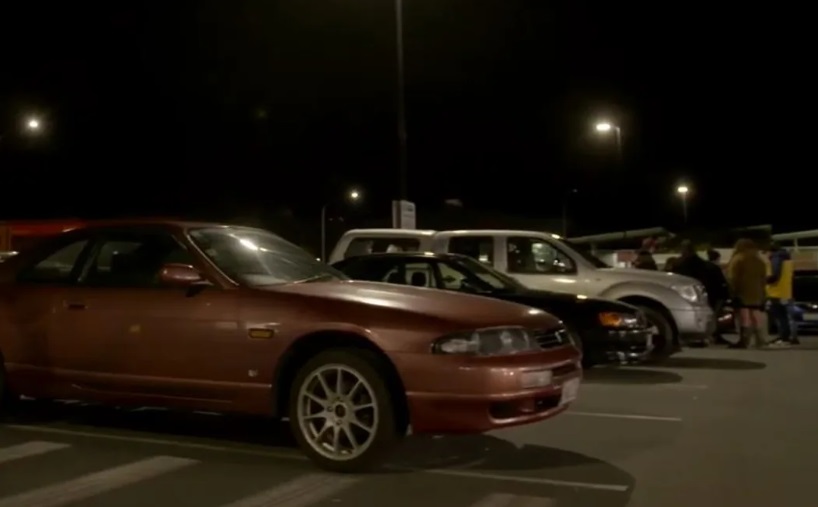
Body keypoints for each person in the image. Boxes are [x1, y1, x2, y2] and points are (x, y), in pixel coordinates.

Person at [672, 241, 730, 344]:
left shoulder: (681, 265)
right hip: (710, 293)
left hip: (691, 294)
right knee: (710, 315)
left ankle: (697, 338)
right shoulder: (708, 266)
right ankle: (712, 335)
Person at [726, 238, 769, 349]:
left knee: (744, 319)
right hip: (757, 294)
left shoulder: (738, 259)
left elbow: (732, 278)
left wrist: (732, 291)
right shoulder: (760, 261)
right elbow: (763, 279)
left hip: (742, 293)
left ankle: (744, 340)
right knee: (756, 317)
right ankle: (760, 340)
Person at [766, 242, 799, 345]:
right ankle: (793, 337)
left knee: (780, 316)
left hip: (777, 291)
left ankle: (783, 336)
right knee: (789, 316)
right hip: (787, 291)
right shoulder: (788, 259)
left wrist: (765, 280)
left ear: (770, 251)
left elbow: (775, 275)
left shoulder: (776, 258)